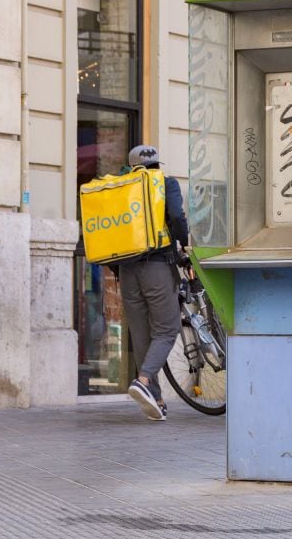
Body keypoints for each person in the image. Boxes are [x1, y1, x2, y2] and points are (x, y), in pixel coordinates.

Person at [121, 145, 189, 421]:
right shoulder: (166, 183)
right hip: (157, 265)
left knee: (141, 336)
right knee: (166, 330)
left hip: (126, 269)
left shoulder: (121, 188)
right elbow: (176, 216)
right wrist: (184, 244)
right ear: (156, 164)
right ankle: (145, 380)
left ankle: (156, 400)